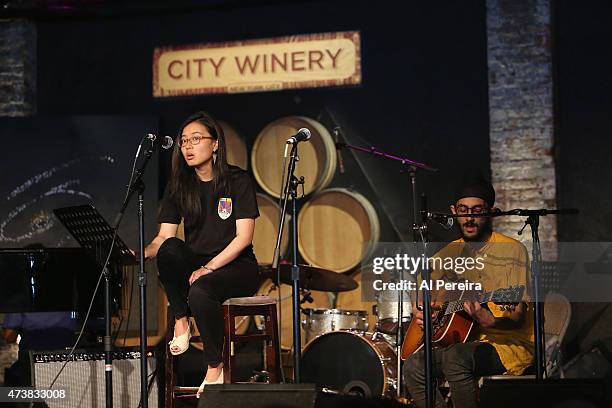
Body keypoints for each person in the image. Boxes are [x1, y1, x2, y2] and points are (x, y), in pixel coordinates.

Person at [143, 111, 262, 397]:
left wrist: (209, 268)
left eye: (196, 139)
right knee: (170, 250)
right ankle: (182, 321)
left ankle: (214, 366)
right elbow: (164, 238)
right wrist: (141, 252)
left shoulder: (238, 180)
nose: (188, 146)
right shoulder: (179, 186)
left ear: (215, 144)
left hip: (237, 266)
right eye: (183, 141)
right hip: (198, 264)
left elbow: (244, 238)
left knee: (199, 290)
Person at [403, 175, 534, 408]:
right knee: (414, 366)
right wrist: (419, 308)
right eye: (463, 210)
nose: (469, 217)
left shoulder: (512, 250)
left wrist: (490, 320)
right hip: (464, 340)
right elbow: (420, 283)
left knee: (455, 358)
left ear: (491, 212)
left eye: (477, 210)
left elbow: (516, 316)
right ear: (453, 211)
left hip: (507, 346)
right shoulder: (450, 253)